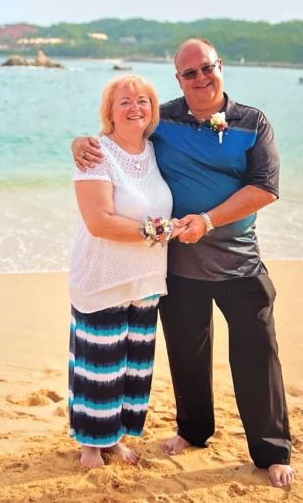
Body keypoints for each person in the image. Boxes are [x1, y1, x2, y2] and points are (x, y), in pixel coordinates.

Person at [71, 38, 295, 487]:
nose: (200, 78)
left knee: (257, 355)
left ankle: (272, 451)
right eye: (189, 73)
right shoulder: (163, 119)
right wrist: (81, 142)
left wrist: (209, 220)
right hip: (178, 265)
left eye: (206, 68)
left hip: (240, 262)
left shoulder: (253, 122)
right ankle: (193, 432)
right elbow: (121, 136)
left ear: (220, 66)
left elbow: (266, 188)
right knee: (187, 357)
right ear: (178, 79)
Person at [68, 75, 183, 468]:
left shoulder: (156, 149)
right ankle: (88, 445)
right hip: (103, 276)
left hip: (146, 277)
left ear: (153, 110)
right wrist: (158, 231)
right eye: (124, 102)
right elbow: (98, 221)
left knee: (132, 366)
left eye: (143, 101)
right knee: (98, 366)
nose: (135, 108)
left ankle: (113, 438)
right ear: (109, 112)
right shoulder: (97, 154)